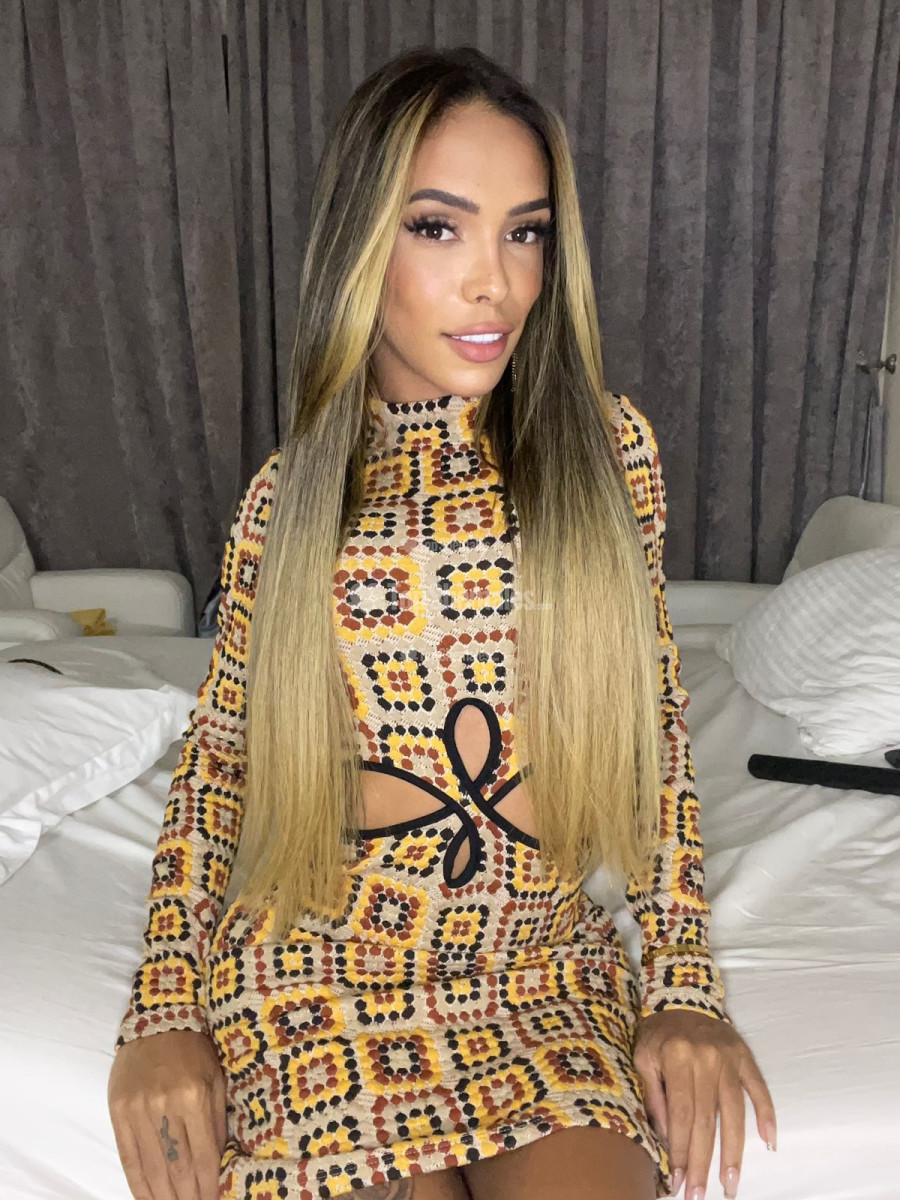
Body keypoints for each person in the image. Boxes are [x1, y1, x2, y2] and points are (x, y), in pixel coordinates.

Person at [108, 44, 776, 1200]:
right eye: (437, 228)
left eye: (526, 233)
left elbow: (656, 733)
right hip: (322, 973)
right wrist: (163, 1010)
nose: (495, 284)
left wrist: (683, 987)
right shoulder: (289, 497)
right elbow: (219, 763)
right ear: (362, 244)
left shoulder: (609, 454)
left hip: (539, 976)